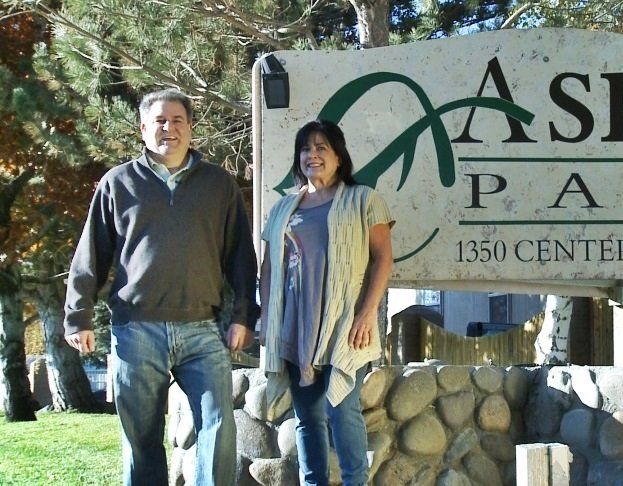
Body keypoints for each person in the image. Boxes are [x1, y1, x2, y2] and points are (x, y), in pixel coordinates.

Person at [63, 88, 260, 486]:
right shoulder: (117, 183)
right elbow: (92, 254)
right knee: (141, 439)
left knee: (219, 427)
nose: (168, 128)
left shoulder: (218, 185)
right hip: (137, 330)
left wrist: (243, 315)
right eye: (159, 121)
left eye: (177, 121)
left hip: (202, 329)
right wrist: (78, 316)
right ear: (143, 129)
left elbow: (240, 256)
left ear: (190, 129)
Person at [259, 119, 394, 485]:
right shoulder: (283, 208)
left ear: (338, 157)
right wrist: (267, 320)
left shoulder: (363, 199)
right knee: (307, 417)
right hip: (295, 326)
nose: (312, 155)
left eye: (321, 148)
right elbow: (269, 268)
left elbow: (383, 259)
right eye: (305, 149)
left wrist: (367, 315)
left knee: (343, 411)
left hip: (346, 324)